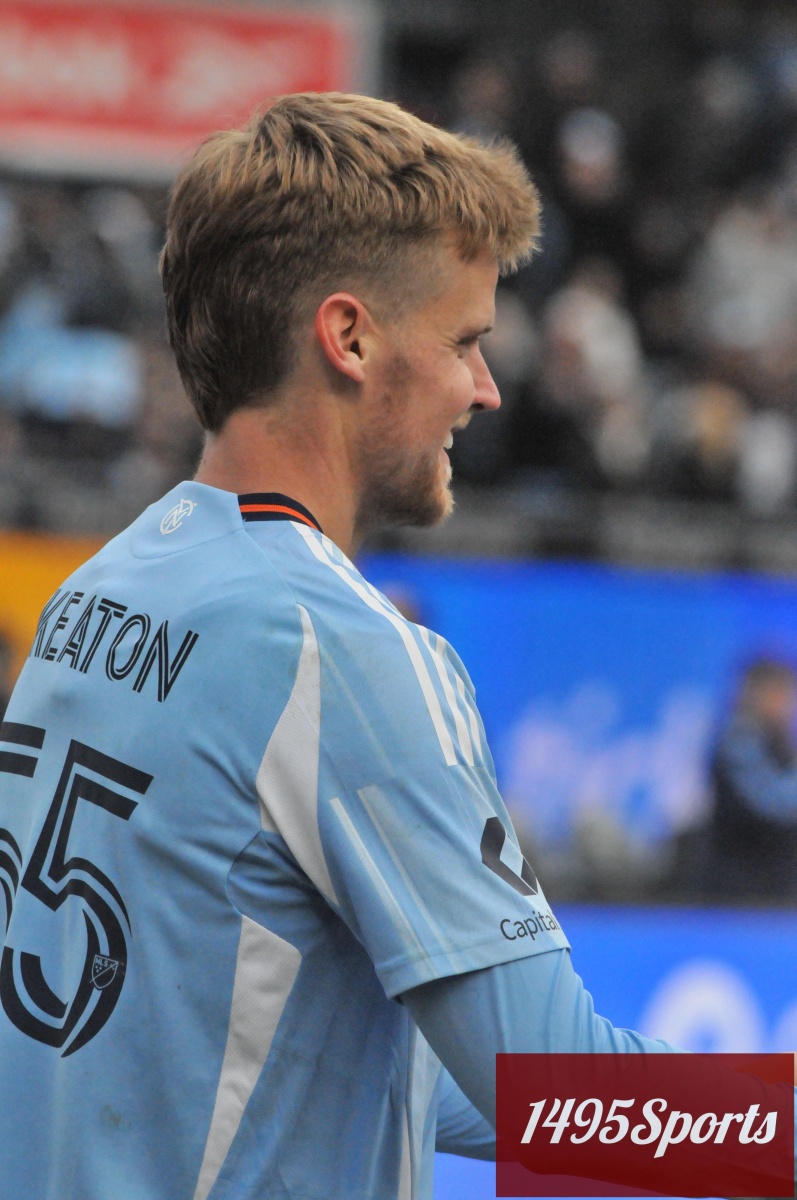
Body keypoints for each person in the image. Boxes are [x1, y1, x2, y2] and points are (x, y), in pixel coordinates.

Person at [0, 93, 684, 1200]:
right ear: (349, 337)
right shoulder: (346, 651)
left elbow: (239, 1038)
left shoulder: (98, 590)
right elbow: (558, 1093)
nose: (484, 389)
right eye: (463, 341)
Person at [704, 657, 797, 902]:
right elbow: (773, 801)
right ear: (753, 694)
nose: (784, 703)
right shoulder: (739, 743)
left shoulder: (781, 745)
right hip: (739, 891)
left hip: (777, 889)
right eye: (775, 692)